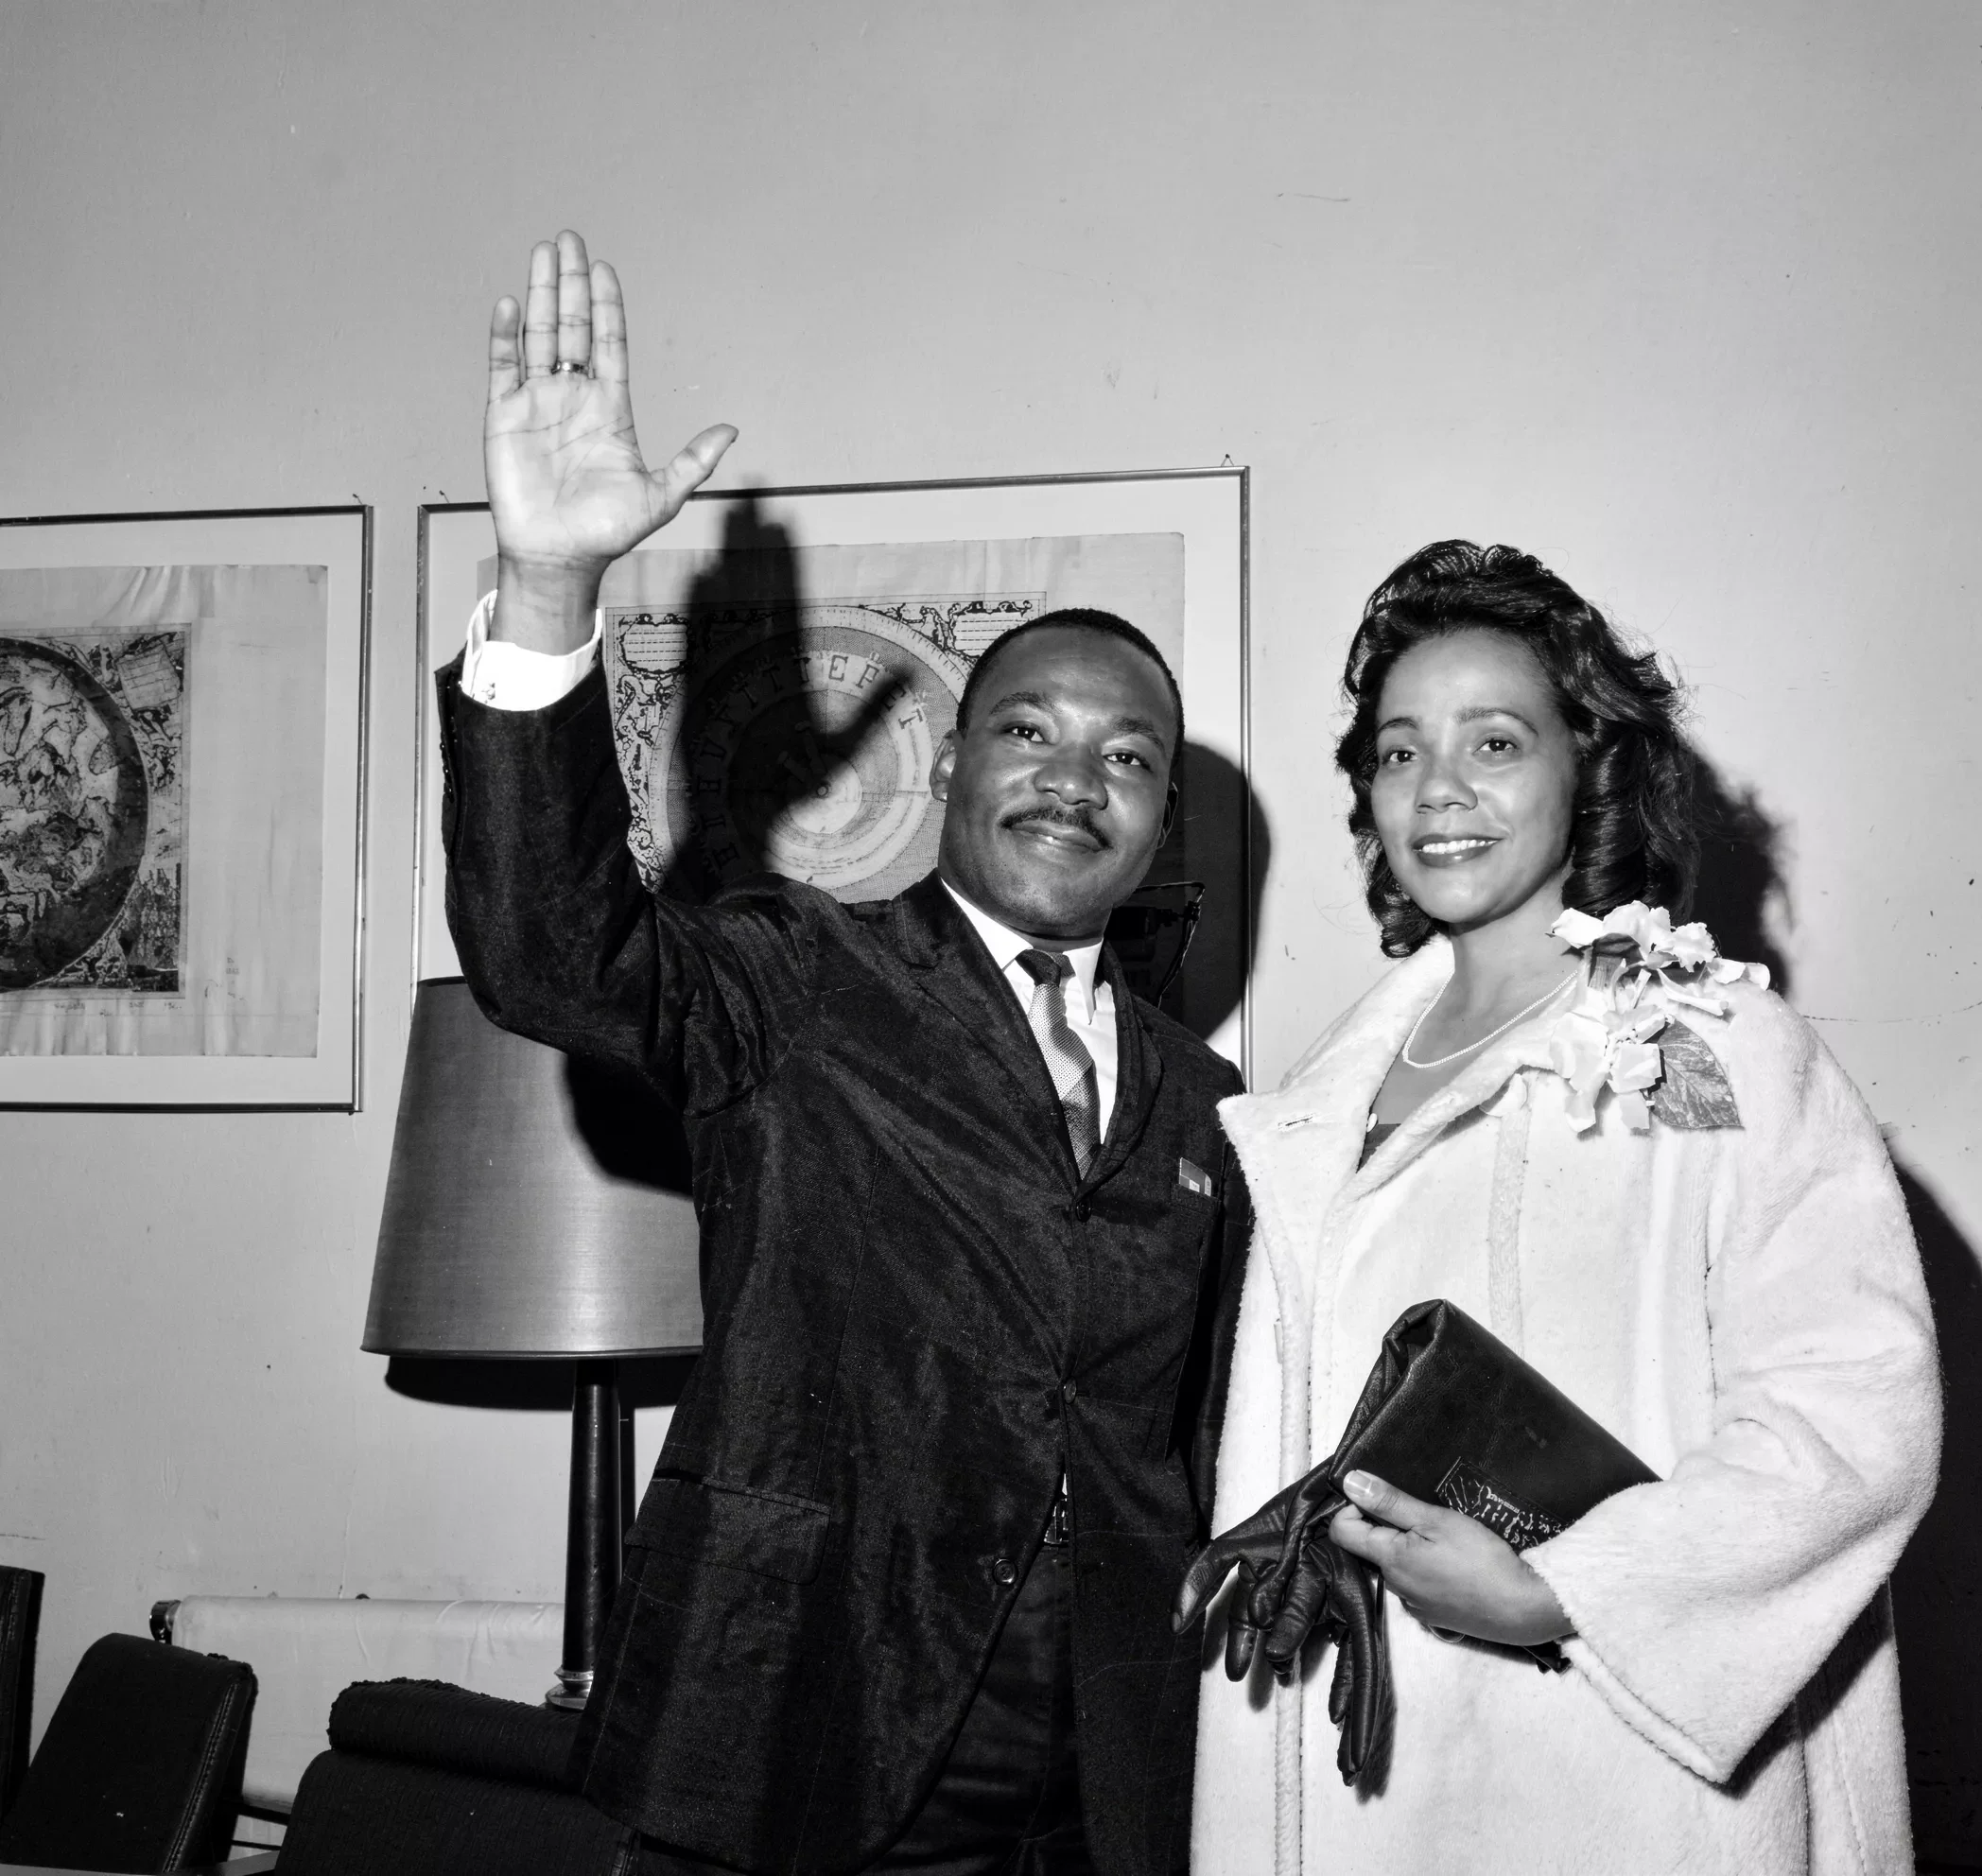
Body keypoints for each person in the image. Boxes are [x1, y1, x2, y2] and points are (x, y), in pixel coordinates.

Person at [439, 231, 1251, 1876]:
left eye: (1129, 760)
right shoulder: (798, 976)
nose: (1072, 782)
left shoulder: (1212, 1106)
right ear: (951, 763)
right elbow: (549, 955)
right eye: (1029, 731)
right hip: (804, 1727)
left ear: (1163, 821)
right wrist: (548, 592)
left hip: (1111, 1769)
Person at [1184, 541, 1940, 1874]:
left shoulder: (1692, 1047)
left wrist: (1561, 1594)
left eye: (1496, 742)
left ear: (1585, 764)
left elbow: (1850, 1409)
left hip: (1622, 1783)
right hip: (1367, 1781)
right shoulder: (1316, 1097)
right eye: (1402, 750)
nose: (1442, 792)